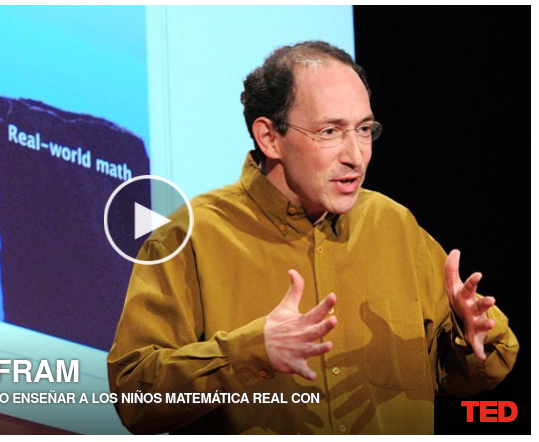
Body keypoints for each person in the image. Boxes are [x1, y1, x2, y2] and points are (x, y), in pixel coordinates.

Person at [106, 41, 518, 435]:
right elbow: (135, 396)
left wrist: (471, 338)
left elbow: (476, 372)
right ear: (269, 138)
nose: (355, 156)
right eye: (330, 131)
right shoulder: (192, 237)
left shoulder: (394, 226)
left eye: (363, 129)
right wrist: (249, 352)